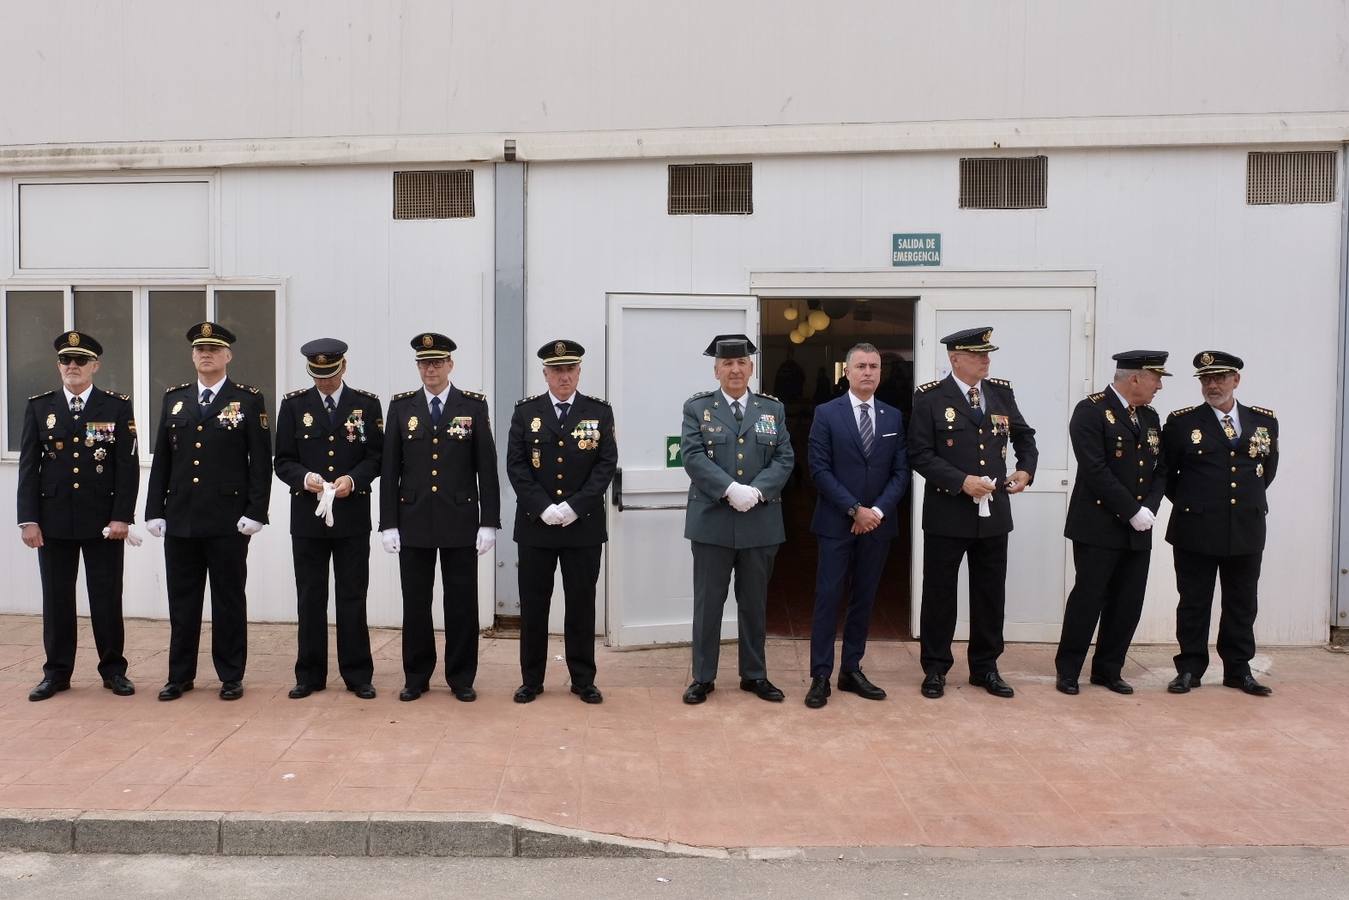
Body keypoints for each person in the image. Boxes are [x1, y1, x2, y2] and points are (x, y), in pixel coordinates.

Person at [145, 322, 272, 701]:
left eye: (214, 349)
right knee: (182, 600)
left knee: (228, 599)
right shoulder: (175, 399)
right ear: (193, 355)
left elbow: (260, 462)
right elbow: (162, 460)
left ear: (227, 356)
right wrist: (155, 509)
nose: (206, 355)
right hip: (181, 517)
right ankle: (179, 675)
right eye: (200, 349)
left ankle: (231, 675)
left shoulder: (248, 399)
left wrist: (256, 512)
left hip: (227, 520)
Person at [908, 327, 1037, 699]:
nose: (986, 360)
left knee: (989, 594)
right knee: (939, 595)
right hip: (948, 512)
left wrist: (1026, 469)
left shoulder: (1000, 393)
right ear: (955, 359)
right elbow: (918, 453)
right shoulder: (931, 398)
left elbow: (1025, 437)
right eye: (978, 354)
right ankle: (935, 668)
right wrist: (961, 481)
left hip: (994, 513)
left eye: (987, 354)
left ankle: (985, 667)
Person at [18, 331, 139, 701]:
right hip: (53, 521)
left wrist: (122, 517)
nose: (73, 367)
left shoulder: (115, 406)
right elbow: (28, 467)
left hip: (102, 521)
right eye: (66, 361)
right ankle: (56, 673)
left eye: (81, 361)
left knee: (106, 597)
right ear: (58, 366)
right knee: (56, 599)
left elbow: (126, 466)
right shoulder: (40, 407)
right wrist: (28, 519)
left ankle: (113, 670)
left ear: (95, 366)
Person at [380, 332, 500, 702]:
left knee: (461, 602)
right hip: (413, 518)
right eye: (423, 362)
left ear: (450, 365)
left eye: (436, 362)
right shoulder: (402, 407)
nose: (430, 369)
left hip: (460, 518)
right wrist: (388, 523)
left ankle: (461, 676)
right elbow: (390, 468)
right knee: (416, 602)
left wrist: (489, 521)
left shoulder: (473, 406)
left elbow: (487, 467)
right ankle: (416, 675)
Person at [680, 334, 795, 705]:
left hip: (759, 521)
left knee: (754, 603)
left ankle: (755, 675)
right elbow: (693, 457)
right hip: (712, 521)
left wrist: (757, 491)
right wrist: (730, 489)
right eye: (727, 363)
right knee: (708, 603)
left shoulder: (771, 409)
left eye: (742, 362)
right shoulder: (698, 409)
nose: (735, 369)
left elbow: (784, 458)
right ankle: (702, 677)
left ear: (751, 368)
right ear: (716, 370)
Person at [506, 339, 617, 705]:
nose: (563, 376)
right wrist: (542, 507)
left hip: (582, 527)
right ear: (546, 374)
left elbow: (605, 466)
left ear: (579, 372)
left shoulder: (598, 412)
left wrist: (573, 507)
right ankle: (531, 680)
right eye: (556, 370)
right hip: (536, 527)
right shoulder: (526, 412)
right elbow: (516, 465)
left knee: (581, 605)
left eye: (570, 369)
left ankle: (583, 679)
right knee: (534, 605)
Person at [1162, 351, 1278, 696]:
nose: (1212, 385)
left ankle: (1238, 670)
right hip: (1195, 527)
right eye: (1206, 379)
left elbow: (1265, 472)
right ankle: (1189, 669)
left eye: (1220, 378)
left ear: (1236, 381)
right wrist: (1195, 504)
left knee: (1241, 602)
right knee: (1194, 601)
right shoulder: (1182, 423)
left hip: (1246, 526)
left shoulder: (1263, 422)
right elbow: (1168, 475)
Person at [1054, 351, 1170, 696]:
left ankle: (1109, 669)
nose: (1160, 386)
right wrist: (1131, 510)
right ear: (1135, 378)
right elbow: (1095, 469)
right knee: (1089, 598)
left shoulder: (1149, 417)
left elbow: (1160, 469)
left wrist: (1148, 508)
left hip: (1139, 526)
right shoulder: (1090, 411)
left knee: (1127, 601)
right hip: (1098, 525)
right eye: (1156, 378)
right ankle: (1069, 670)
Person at [273, 339, 383, 701]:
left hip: (351, 517)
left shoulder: (366, 405)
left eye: (330, 375)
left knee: (352, 596)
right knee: (310, 597)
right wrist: (304, 479)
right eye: (318, 376)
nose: (325, 382)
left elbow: (375, 456)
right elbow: (283, 459)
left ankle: (357, 674)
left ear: (344, 367)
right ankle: (309, 674)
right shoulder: (293, 405)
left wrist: (353, 480)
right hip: (308, 518)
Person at [803, 342, 910, 709]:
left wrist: (876, 511)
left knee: (864, 599)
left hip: (878, 525)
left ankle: (851, 669)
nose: (868, 372)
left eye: (874, 366)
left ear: (881, 373)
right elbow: (818, 469)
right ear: (846, 372)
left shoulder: (893, 416)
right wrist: (854, 509)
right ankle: (820, 675)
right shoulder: (826, 413)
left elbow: (900, 472)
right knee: (828, 598)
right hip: (837, 523)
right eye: (861, 366)